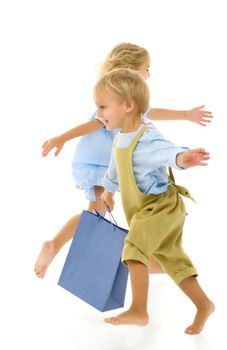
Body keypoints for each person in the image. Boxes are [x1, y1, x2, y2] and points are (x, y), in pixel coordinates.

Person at [34, 43, 213, 278]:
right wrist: (62, 138)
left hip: (107, 162)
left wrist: (186, 115)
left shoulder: (129, 101)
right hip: (101, 163)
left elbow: (152, 111)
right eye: (146, 68)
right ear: (130, 70)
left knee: (103, 215)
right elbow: (92, 123)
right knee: (96, 216)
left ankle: (144, 260)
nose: (149, 75)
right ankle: (57, 244)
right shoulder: (116, 100)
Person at [98, 68, 214, 335]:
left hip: (161, 208)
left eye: (103, 106)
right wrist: (108, 192)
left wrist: (184, 158)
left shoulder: (147, 137)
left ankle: (139, 309)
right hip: (147, 210)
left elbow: (169, 152)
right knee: (173, 260)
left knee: (134, 245)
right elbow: (114, 171)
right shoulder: (120, 139)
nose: (98, 112)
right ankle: (204, 304)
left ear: (128, 106)